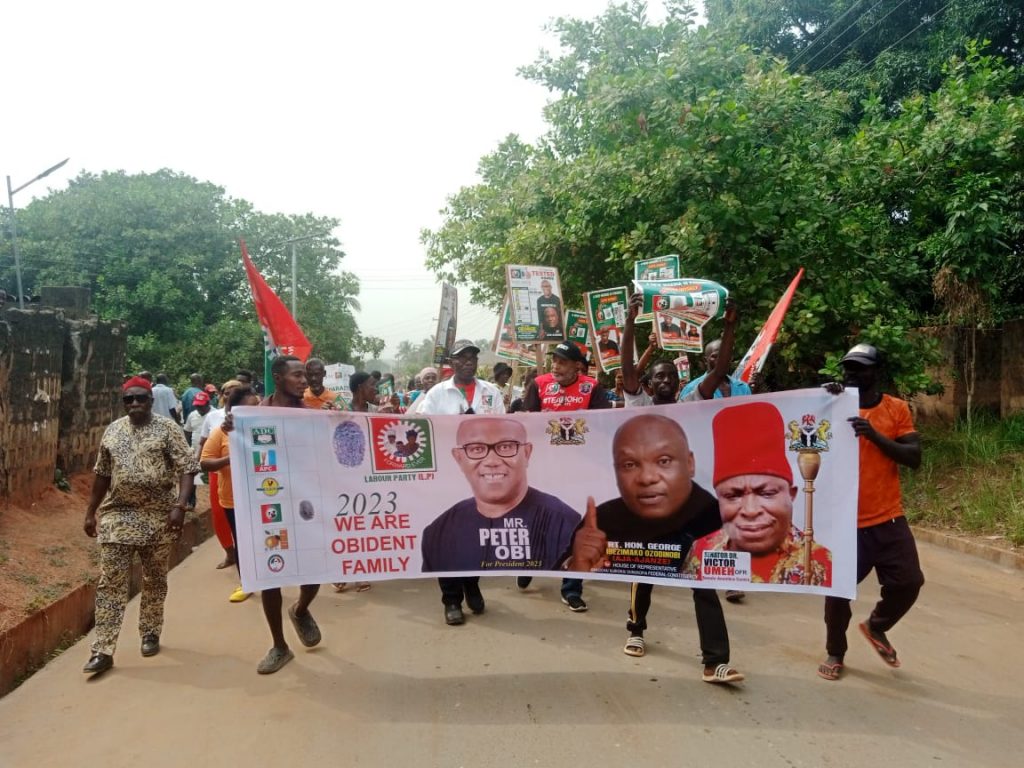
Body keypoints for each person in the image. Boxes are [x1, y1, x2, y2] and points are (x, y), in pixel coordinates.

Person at [606, 292, 743, 677]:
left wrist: (729, 327)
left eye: (671, 376)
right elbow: (626, 366)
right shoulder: (637, 403)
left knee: (702, 575)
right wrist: (631, 321)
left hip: (685, 506)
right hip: (646, 506)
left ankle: (716, 661)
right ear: (648, 383)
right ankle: (636, 629)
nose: (665, 380)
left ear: (679, 380)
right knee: (645, 569)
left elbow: (719, 371)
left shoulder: (692, 403)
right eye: (658, 376)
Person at [564, 413, 743, 684]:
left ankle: (715, 661)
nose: (647, 477)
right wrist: (578, 560)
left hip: (689, 539)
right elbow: (557, 561)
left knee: (705, 587)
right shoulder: (604, 518)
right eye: (629, 464)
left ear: (690, 464)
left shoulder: (711, 515)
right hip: (647, 548)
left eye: (664, 461)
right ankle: (636, 630)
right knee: (642, 575)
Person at [818, 343, 923, 682]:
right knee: (837, 594)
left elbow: (913, 457)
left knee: (908, 583)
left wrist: (874, 436)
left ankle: (876, 627)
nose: (852, 373)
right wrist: (822, 399)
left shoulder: (896, 409)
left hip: (888, 517)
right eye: (848, 367)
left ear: (876, 372)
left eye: (861, 368)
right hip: (845, 524)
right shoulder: (831, 404)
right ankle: (836, 652)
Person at [81, 376, 200, 675]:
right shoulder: (113, 431)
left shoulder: (167, 429)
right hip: (118, 517)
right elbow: (102, 474)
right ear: (123, 402)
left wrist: (179, 506)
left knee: (154, 579)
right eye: (128, 399)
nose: (134, 404)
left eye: (140, 399)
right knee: (111, 582)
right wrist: (90, 512)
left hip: (158, 517)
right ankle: (103, 649)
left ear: (150, 400)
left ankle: (150, 631)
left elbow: (186, 468)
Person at [226, 355, 325, 674]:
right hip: (268, 507)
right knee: (271, 575)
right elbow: (239, 450)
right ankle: (279, 646)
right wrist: (231, 428)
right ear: (278, 377)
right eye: (297, 375)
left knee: (314, 571)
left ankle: (300, 609)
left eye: (305, 376)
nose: (304, 380)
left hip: (306, 505)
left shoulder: (312, 416)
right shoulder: (254, 416)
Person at [685, 402, 833, 585]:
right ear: (719, 500)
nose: (751, 510)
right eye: (733, 496)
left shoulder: (820, 563)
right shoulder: (700, 552)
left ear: (791, 494)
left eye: (767, 493)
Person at [416, 340, 505, 626]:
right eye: (462, 358)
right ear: (452, 364)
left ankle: (471, 584)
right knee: (449, 538)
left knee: (478, 535)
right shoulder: (436, 394)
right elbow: (421, 430)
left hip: (482, 477)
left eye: (472, 358)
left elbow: (504, 429)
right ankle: (451, 599)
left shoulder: (491, 393)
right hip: (447, 476)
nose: (468, 362)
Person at [518, 341, 610, 612]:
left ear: (577, 366)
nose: (555, 366)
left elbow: (605, 424)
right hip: (544, 469)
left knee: (579, 528)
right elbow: (525, 422)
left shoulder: (592, 388)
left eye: (562, 361)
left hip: (581, 471)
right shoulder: (539, 384)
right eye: (554, 361)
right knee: (537, 523)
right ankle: (530, 564)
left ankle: (572, 588)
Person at [421, 418, 580, 572]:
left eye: (506, 447)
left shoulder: (565, 524)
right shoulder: (438, 534)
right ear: (458, 458)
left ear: (526, 453)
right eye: (476, 449)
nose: (491, 461)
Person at [200, 385, 261, 603]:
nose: (255, 410)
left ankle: (271, 577)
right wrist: (229, 459)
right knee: (242, 543)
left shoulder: (267, 429)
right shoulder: (221, 433)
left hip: (265, 497)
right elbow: (205, 462)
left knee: (268, 540)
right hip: (233, 500)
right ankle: (247, 583)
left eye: (257, 406)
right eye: (249, 408)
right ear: (234, 411)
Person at [182, 390, 212, 510]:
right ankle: (191, 501)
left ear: (208, 403)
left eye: (201, 405)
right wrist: (188, 448)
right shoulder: (192, 415)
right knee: (193, 476)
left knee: (211, 477)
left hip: (212, 452)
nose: (199, 408)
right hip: (195, 450)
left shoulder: (215, 414)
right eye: (197, 405)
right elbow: (187, 432)